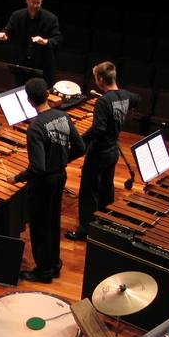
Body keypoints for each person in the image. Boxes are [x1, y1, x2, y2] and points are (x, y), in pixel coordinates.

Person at [7, 78, 84, 283]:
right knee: (52, 222)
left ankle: (43, 272)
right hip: (60, 177)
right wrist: (61, 160)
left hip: (43, 183)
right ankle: (54, 264)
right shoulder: (63, 116)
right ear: (48, 95)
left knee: (40, 227)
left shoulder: (36, 127)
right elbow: (81, 147)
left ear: (29, 100)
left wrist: (16, 178)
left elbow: (38, 167)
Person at [66, 62, 140, 241]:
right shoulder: (125, 95)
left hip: (99, 152)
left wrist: (78, 140)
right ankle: (105, 223)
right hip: (113, 150)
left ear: (100, 80)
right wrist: (128, 110)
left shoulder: (104, 101)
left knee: (88, 192)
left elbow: (98, 129)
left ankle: (85, 230)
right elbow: (138, 99)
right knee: (106, 189)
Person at [0, 0, 63, 88]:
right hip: (22, 66)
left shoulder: (51, 19)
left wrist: (45, 41)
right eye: (32, 2)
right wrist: (3, 35)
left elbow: (58, 39)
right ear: (27, 0)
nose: (35, 6)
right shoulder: (17, 16)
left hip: (42, 68)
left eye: (38, 3)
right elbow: (8, 30)